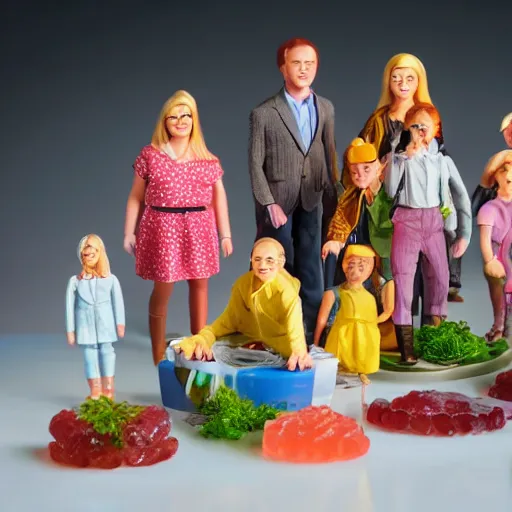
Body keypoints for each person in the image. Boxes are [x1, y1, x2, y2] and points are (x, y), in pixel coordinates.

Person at [124, 90, 233, 366]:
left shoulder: (208, 159)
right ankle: (158, 353)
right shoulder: (150, 155)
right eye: (173, 116)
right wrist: (129, 231)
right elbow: (136, 196)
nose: (180, 121)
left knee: (200, 286)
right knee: (163, 289)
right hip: (162, 227)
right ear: (164, 121)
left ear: (194, 119)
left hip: (199, 227)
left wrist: (225, 233)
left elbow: (219, 197)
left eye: (186, 115)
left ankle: (199, 346)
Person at [248, 37, 339, 344]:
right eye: (296, 63)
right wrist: (268, 203)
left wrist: (336, 200)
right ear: (282, 67)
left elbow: (329, 155)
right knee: (275, 268)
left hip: (312, 198)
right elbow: (254, 165)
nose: (303, 69)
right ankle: (274, 334)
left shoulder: (325, 107)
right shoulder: (264, 113)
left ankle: (312, 337)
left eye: (309, 63)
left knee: (312, 266)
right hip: (278, 204)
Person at [384, 103, 472, 364]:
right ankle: (406, 349)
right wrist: (402, 157)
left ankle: (434, 335)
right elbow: (389, 191)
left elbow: (461, 196)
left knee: (442, 277)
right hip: (407, 221)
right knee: (403, 282)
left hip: (434, 221)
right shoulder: (400, 157)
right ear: (407, 129)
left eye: (426, 126)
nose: (421, 131)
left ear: (436, 129)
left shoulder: (442, 160)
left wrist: (464, 233)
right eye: (415, 126)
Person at [173, 238, 313, 372]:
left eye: (269, 260)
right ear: (250, 260)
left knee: (289, 358)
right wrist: (203, 338)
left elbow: (294, 320)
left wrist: (299, 351)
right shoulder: (243, 285)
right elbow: (228, 320)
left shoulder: (285, 288)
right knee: (215, 348)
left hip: (282, 342)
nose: (263, 266)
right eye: (257, 259)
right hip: (247, 336)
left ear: (281, 262)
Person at [321, 138, 396, 350]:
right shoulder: (351, 197)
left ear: (379, 168)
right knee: (341, 292)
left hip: (384, 259)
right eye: (355, 171)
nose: (360, 175)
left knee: (385, 294)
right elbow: (341, 222)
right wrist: (336, 240)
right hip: (356, 257)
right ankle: (331, 333)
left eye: (366, 169)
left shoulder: (389, 195)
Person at [65, 234, 125, 399]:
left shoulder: (111, 279)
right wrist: (70, 330)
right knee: (89, 354)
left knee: (107, 351)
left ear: (100, 253)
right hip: (85, 324)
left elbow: (117, 302)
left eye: (93, 253)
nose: (89, 256)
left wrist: (120, 323)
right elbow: (69, 307)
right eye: (86, 254)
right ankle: (95, 390)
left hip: (105, 322)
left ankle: (108, 388)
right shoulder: (75, 281)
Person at [317, 245, 387, 385]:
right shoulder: (333, 293)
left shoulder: (370, 297)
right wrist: (316, 344)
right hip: (340, 343)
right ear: (344, 267)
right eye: (351, 266)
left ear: (369, 270)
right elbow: (322, 320)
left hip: (363, 349)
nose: (355, 272)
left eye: (361, 268)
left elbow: (372, 325)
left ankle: (361, 372)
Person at [476, 150, 512, 341]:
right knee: (499, 296)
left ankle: (506, 330)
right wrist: (490, 260)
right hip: (498, 258)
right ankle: (499, 327)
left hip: (510, 255)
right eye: (504, 170)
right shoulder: (489, 208)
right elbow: (485, 239)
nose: (509, 175)